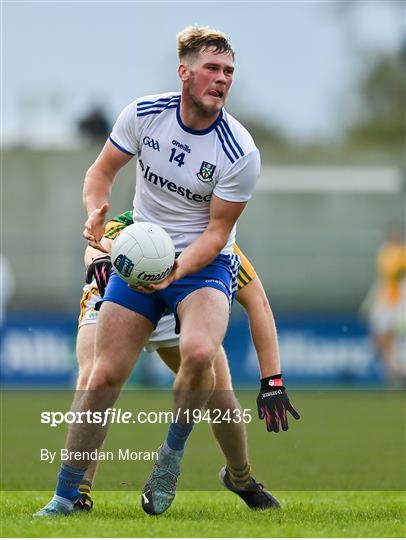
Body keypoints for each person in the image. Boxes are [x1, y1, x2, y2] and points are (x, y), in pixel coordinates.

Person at [35, 25, 296, 517]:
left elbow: (219, 235)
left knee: (204, 359)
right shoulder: (143, 114)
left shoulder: (239, 152)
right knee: (101, 375)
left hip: (199, 269)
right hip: (138, 264)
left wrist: (272, 378)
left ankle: (176, 459)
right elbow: (100, 173)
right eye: (212, 69)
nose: (222, 79)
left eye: (229, 72)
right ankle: (67, 495)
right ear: (185, 73)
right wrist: (95, 210)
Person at [73, 211, 300, 510]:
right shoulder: (132, 220)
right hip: (113, 296)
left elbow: (258, 303)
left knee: (220, 398)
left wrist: (272, 381)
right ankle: (78, 492)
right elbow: (95, 244)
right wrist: (99, 260)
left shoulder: (211, 245)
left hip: (174, 308)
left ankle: (240, 477)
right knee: (94, 380)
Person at [362, 227, 406, 385]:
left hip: (398, 305)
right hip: (385, 304)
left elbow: (401, 282)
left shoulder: (402, 254)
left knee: (391, 340)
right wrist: (371, 302)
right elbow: (382, 281)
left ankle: (397, 374)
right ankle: (395, 373)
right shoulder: (385, 253)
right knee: (380, 341)